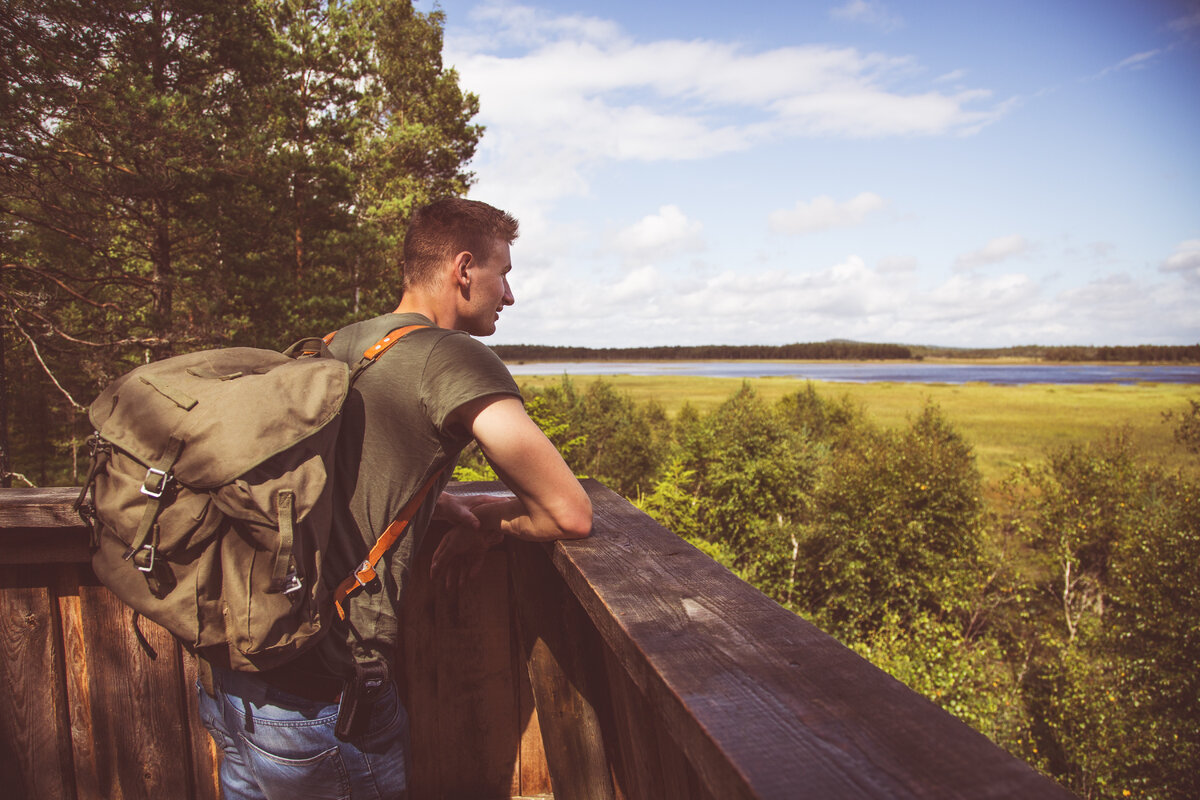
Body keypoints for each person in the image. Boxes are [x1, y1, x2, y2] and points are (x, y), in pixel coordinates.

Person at [197, 198, 593, 799]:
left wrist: (438, 505)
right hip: (321, 703)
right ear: (464, 269)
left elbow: (342, 474)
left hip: (236, 686)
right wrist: (492, 526)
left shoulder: (338, 344)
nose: (508, 294)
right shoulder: (452, 356)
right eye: (503, 273)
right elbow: (568, 512)